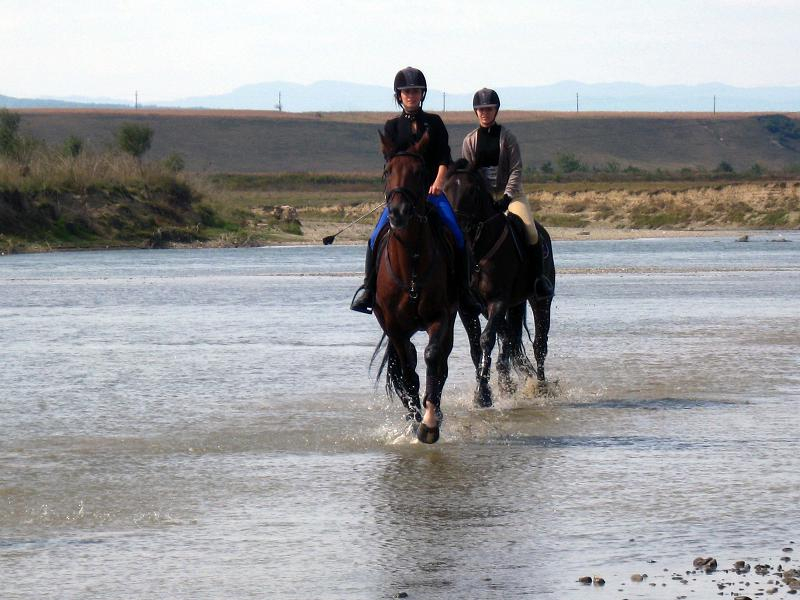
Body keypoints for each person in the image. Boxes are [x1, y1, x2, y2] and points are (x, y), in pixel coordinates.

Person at [350, 66, 477, 314]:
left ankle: (464, 291)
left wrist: (439, 183)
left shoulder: (435, 123)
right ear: (399, 96)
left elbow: (444, 158)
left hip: (431, 193)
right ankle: (368, 289)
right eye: (407, 92)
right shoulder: (392, 127)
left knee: (458, 237)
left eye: (416, 91)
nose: (411, 95)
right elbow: (391, 164)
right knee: (375, 237)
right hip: (403, 195)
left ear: (422, 94)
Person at [461, 88, 553, 298]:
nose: (485, 113)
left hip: (510, 194)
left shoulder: (508, 138)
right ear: (476, 112)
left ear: (496, 110)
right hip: (483, 197)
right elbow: (469, 174)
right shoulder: (469, 141)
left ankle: (539, 279)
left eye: (489, 109)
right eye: (481, 109)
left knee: (530, 230)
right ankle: (463, 281)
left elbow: (516, 169)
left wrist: (507, 197)